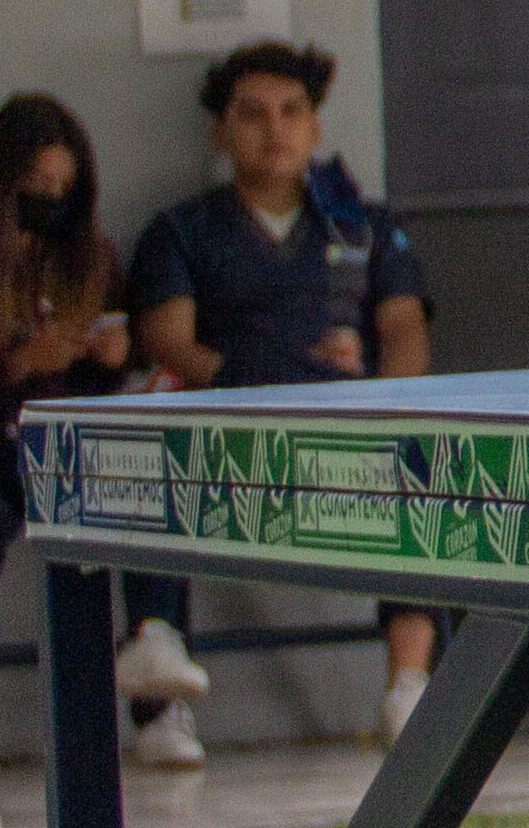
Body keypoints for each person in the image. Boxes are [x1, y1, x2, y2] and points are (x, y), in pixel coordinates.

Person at [127, 42, 435, 749]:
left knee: (424, 449)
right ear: (220, 132)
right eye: (254, 114)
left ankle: (408, 690)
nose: (277, 130)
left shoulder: (366, 225)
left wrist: (375, 406)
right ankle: (158, 692)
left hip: (347, 431)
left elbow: (405, 331)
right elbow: (169, 342)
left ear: (316, 125)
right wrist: (253, 387)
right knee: (147, 433)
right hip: (224, 433)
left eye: (293, 112)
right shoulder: (182, 231)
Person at [0, 95, 130, 828]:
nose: (48, 207)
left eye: (61, 193)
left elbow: (101, 384)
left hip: (66, 441)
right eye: (33, 190)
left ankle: (148, 660)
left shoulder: (91, 262)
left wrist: (108, 356)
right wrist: (20, 364)